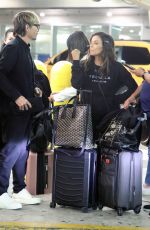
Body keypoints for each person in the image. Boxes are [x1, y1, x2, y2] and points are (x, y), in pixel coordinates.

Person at [0, 11, 43, 210]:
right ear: (27, 27)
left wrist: (32, 87)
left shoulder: (24, 48)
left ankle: (19, 189)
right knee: (10, 151)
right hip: (13, 110)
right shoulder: (13, 47)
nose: (38, 29)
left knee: (22, 150)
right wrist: (17, 96)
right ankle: (1, 193)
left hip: (25, 109)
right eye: (37, 26)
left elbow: (19, 75)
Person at [70, 32, 138, 140]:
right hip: (87, 116)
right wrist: (76, 61)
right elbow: (76, 84)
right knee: (88, 153)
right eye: (91, 43)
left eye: (96, 43)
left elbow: (132, 86)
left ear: (105, 46)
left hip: (109, 117)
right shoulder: (84, 65)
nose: (91, 46)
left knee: (107, 151)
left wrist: (116, 99)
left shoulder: (116, 67)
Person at [123, 67, 150, 197]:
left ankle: (148, 183)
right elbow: (144, 83)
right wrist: (132, 97)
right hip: (145, 113)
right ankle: (147, 183)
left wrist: (144, 74)